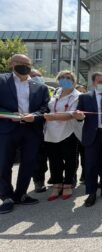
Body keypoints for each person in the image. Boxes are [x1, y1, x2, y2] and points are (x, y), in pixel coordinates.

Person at [0, 54, 49, 214]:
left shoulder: (40, 86)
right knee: (4, 163)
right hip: (7, 129)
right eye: (21, 63)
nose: (25, 66)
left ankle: (21, 194)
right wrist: (11, 115)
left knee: (28, 163)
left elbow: (44, 108)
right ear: (12, 64)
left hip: (31, 130)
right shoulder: (2, 81)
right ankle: (6, 196)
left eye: (28, 64)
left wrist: (34, 116)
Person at [73, 72, 102, 207]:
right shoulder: (85, 97)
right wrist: (79, 116)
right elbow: (79, 115)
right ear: (94, 83)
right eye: (101, 82)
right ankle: (91, 192)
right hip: (93, 135)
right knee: (91, 165)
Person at [43, 70, 80, 201]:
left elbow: (71, 114)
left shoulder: (77, 96)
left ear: (74, 81)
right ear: (58, 80)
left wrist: (52, 117)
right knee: (54, 160)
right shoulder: (55, 92)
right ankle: (57, 184)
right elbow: (47, 108)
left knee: (70, 159)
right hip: (51, 131)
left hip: (69, 131)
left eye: (69, 78)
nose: (65, 80)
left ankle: (68, 183)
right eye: (63, 77)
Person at [29, 69, 49, 193]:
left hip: (43, 127)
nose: (37, 78)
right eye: (34, 76)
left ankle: (41, 180)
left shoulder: (44, 89)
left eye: (39, 75)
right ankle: (38, 181)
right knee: (35, 157)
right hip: (26, 128)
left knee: (43, 157)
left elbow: (46, 107)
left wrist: (35, 115)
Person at [75, 84, 87, 184]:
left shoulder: (87, 102)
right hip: (73, 132)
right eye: (79, 91)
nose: (81, 94)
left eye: (83, 91)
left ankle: (85, 174)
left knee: (85, 156)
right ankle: (72, 176)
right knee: (74, 157)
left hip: (85, 132)